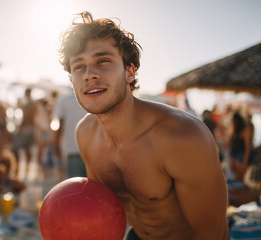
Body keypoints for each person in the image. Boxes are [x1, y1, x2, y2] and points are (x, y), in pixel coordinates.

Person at [59, 11, 228, 239]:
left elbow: (212, 233)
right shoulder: (85, 134)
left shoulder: (182, 136)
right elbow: (103, 210)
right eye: (79, 67)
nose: (89, 74)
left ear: (129, 71)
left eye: (103, 61)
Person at [53, 92, 87, 178]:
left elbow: (59, 126)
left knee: (75, 185)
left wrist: (55, 145)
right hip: (92, 148)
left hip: (71, 149)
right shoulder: (90, 97)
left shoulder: (63, 100)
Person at [12, 88, 37, 175]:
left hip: (25, 129)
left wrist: (19, 130)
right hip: (32, 130)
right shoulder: (34, 104)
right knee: (28, 150)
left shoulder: (28, 105)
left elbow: (25, 118)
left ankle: (17, 170)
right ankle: (27, 170)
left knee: (14, 148)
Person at [229, 111, 254, 181]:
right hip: (235, 156)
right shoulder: (235, 130)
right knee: (237, 178)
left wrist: (244, 162)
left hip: (241, 157)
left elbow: (247, 147)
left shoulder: (245, 130)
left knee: (240, 178)